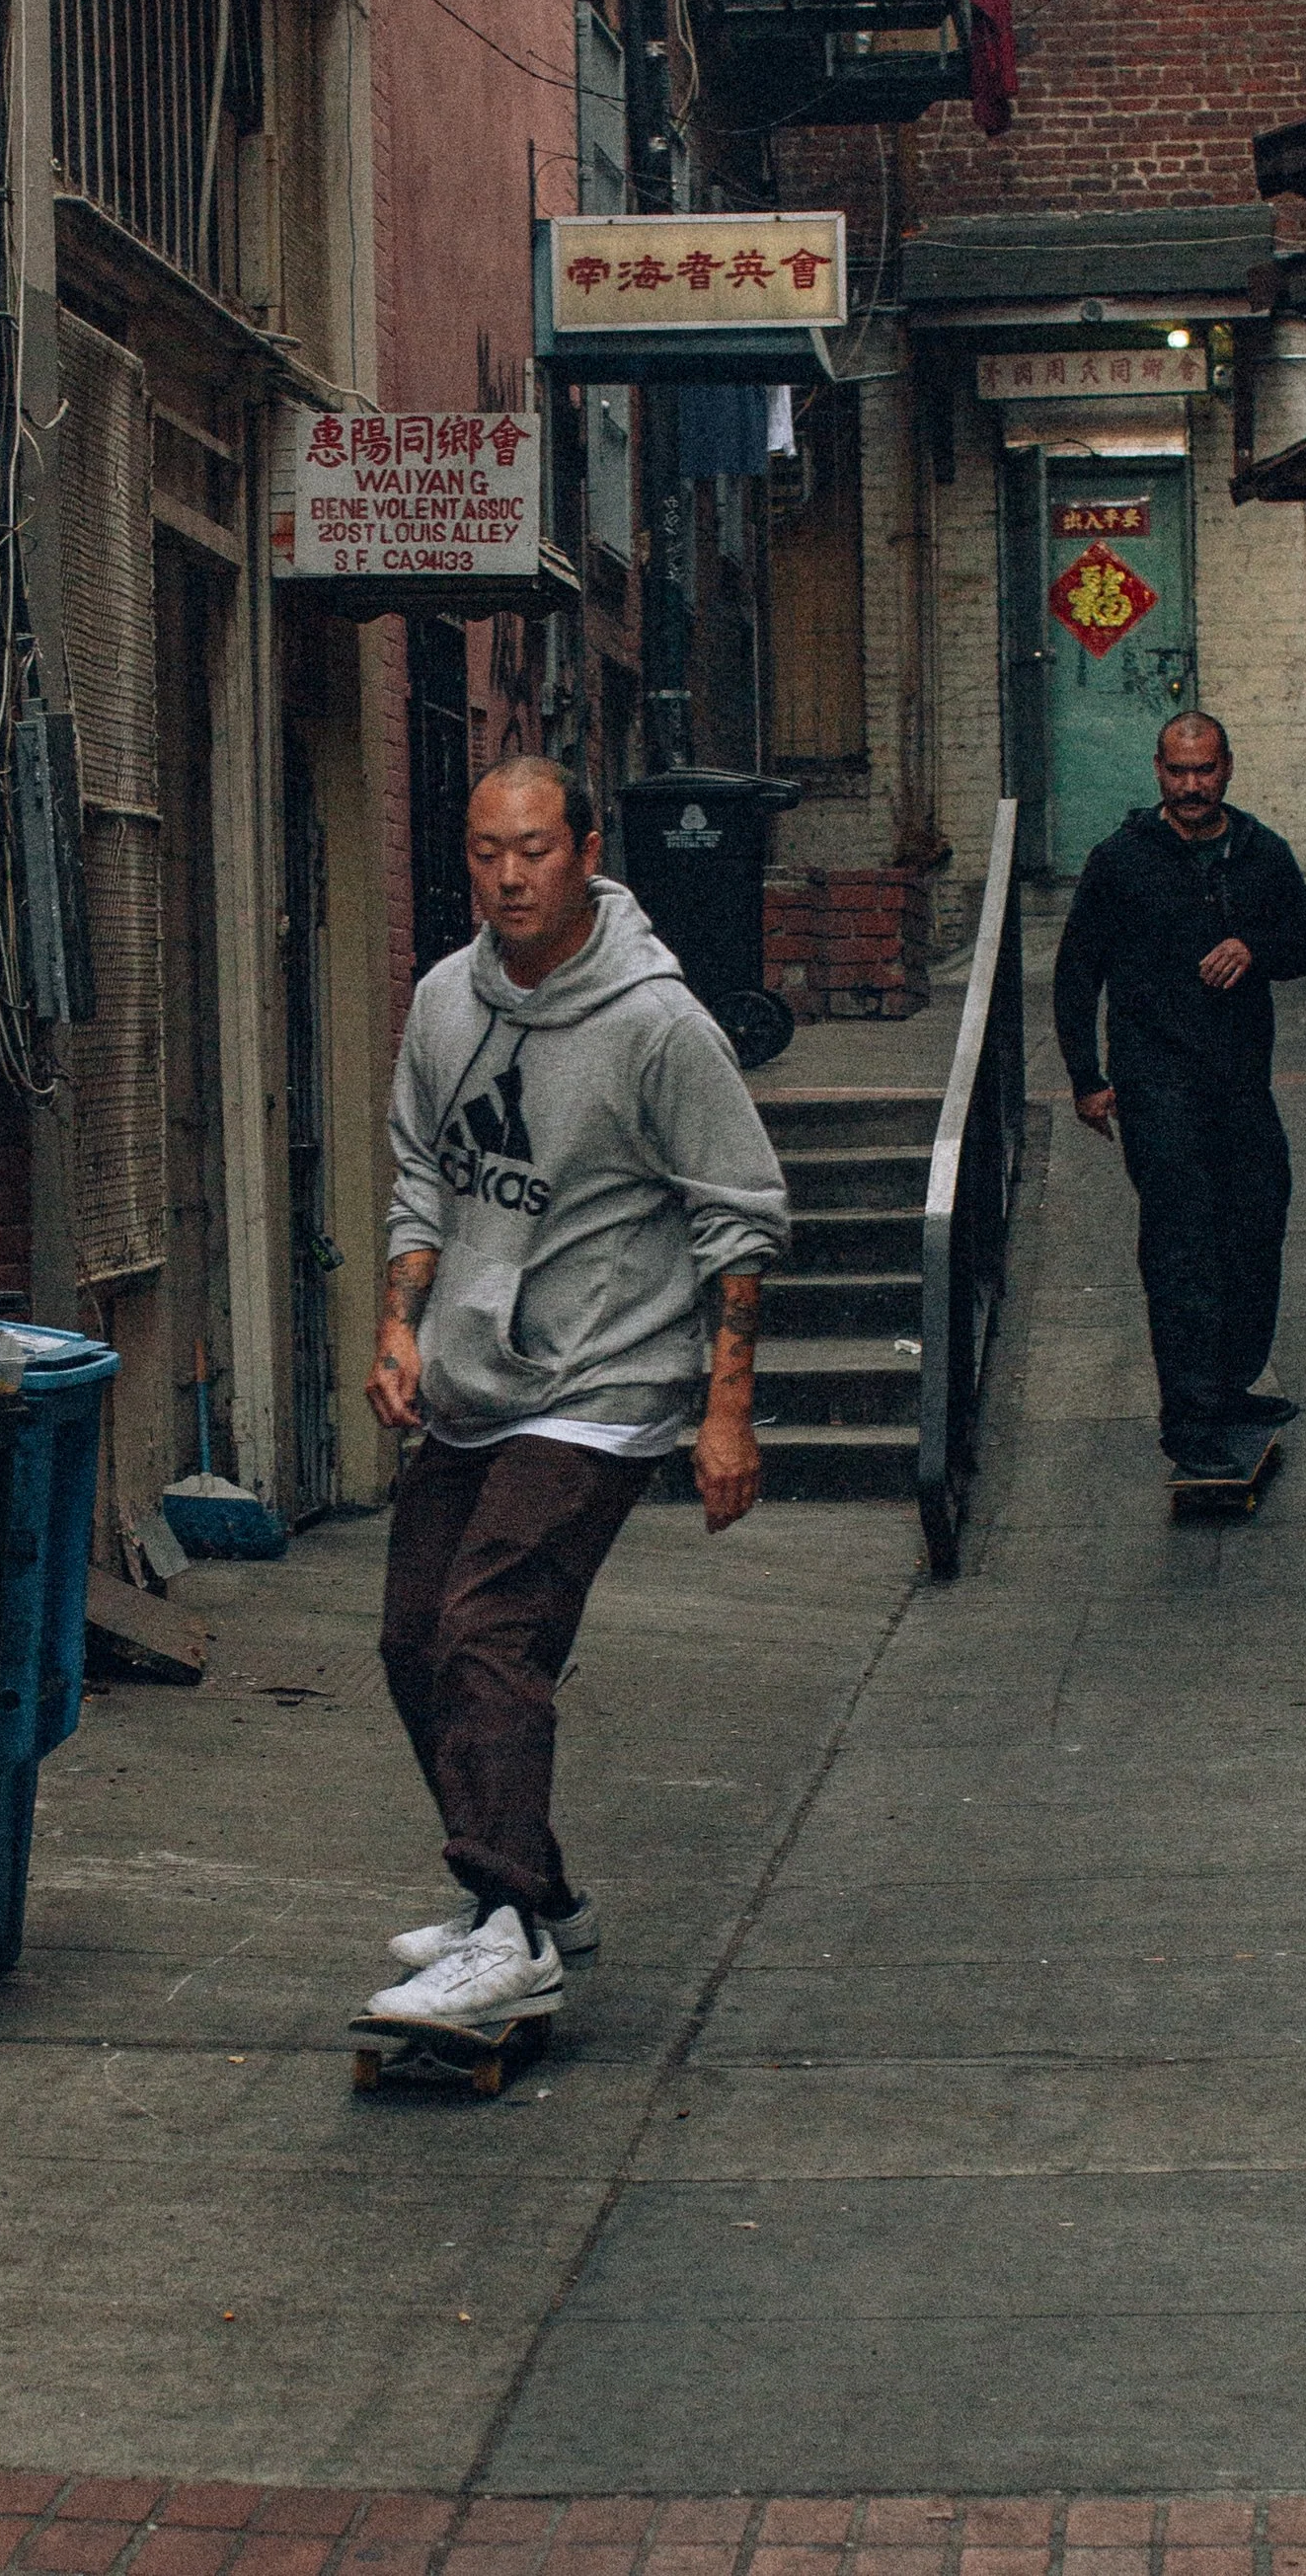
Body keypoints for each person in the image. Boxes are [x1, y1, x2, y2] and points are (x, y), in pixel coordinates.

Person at [360, 756, 789, 2028]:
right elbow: (418, 1176)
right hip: (474, 1373)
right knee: (408, 1641)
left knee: (487, 1627)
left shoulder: (660, 1025)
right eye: (487, 850)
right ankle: (533, 1892)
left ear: (588, 851)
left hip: (609, 1376)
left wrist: (724, 1411)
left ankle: (504, 1932)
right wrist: (399, 1329)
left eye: (535, 848)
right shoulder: (446, 998)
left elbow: (739, 1217)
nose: (509, 874)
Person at [1050, 712, 1306, 1484]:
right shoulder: (1121, 861)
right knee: (1182, 1245)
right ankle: (1189, 1418)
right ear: (1158, 772)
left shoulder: (1261, 852)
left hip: (1240, 1082)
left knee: (1257, 1222)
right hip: (1155, 1081)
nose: (1193, 785)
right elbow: (1077, 973)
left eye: (1205, 770)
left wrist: (1255, 947)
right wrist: (1087, 1077)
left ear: (1228, 768)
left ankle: (1231, 1383)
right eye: (1178, 771)